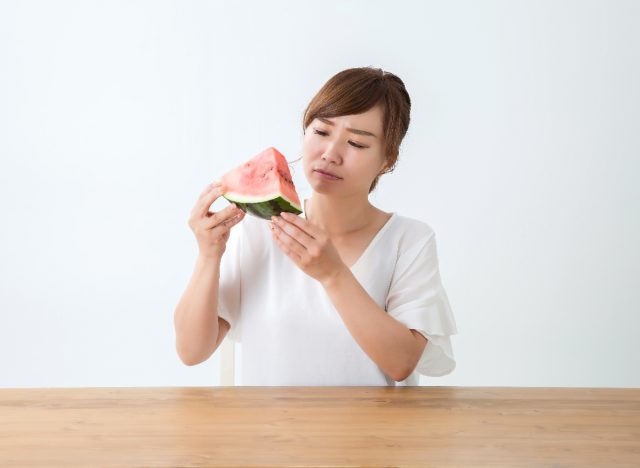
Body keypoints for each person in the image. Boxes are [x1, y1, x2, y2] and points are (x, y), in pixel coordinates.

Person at [174, 66, 458, 386]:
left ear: (388, 160)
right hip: (269, 434)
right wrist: (208, 255)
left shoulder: (408, 240)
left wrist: (332, 274)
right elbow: (191, 351)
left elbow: (401, 362)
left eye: (357, 143)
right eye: (321, 132)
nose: (330, 154)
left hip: (375, 436)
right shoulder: (256, 229)